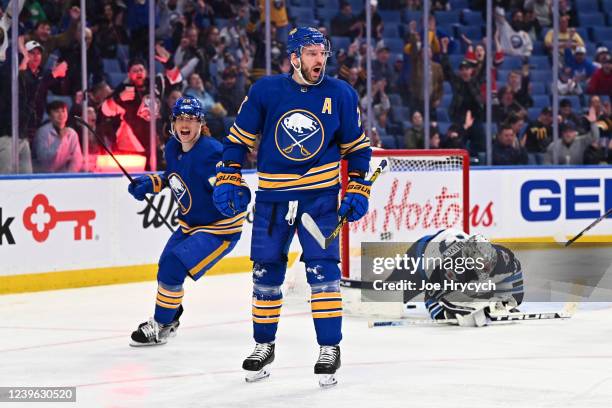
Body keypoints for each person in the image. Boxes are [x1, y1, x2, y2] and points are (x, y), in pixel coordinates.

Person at [212, 27, 372, 388]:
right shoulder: (266, 91)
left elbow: (358, 150)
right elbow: (237, 142)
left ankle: (330, 347)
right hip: (272, 200)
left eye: (322, 53)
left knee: (324, 274)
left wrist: (359, 187)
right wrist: (228, 176)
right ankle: (263, 345)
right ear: (295, 57)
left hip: (319, 201)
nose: (320, 60)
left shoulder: (341, 94)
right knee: (266, 275)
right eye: (312, 53)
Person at [128, 96, 249, 347]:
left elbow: (235, 183)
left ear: (200, 123)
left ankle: (160, 325)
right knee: (165, 268)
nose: (185, 124)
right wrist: (152, 183)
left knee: (173, 265)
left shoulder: (212, 152)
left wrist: (238, 194)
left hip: (220, 230)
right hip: (189, 225)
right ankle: (169, 319)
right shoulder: (172, 147)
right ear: (173, 122)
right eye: (181, 118)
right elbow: (173, 175)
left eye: (191, 119)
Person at [386, 228, 524, 327]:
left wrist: (507, 303)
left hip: (448, 243)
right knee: (386, 299)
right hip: (419, 258)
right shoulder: (451, 266)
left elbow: (516, 283)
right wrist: (449, 314)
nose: (487, 269)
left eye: (489, 264)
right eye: (480, 266)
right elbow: (431, 299)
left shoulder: (502, 255)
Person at [33, 100, 83, 173]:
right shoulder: (42, 132)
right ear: (50, 115)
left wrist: (69, 176)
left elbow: (77, 158)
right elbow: (44, 159)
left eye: (63, 111)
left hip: (64, 176)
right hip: (43, 175)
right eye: (57, 111)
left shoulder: (72, 133)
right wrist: (59, 139)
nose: (61, 114)